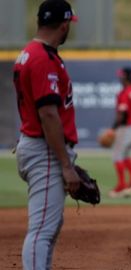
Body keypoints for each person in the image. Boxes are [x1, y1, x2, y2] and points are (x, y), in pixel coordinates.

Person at [12, 1, 81, 269]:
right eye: (68, 26)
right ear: (63, 25)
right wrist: (65, 165)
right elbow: (48, 114)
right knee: (42, 230)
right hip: (45, 151)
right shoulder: (42, 58)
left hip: (38, 146)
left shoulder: (30, 53)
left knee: (48, 227)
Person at [108, 44, 131, 198]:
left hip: (126, 127)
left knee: (117, 155)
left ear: (126, 78)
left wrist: (112, 129)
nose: (120, 78)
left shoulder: (124, 93)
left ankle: (122, 185)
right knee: (126, 154)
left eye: (122, 76)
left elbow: (121, 116)